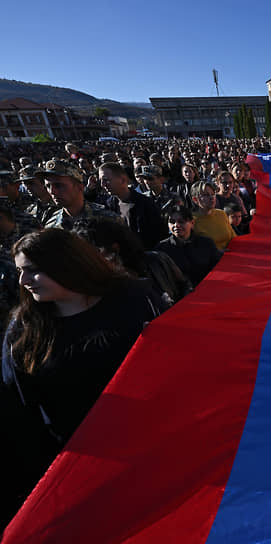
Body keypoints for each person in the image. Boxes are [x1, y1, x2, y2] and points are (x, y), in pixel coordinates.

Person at [1, 229, 163, 525]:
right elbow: (19, 409)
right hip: (78, 465)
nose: (24, 282)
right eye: (21, 272)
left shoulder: (134, 299)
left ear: (67, 263)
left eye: (33, 271)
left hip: (148, 449)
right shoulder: (23, 331)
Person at [156, 206, 222, 287]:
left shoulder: (206, 243)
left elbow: (218, 270)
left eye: (181, 221)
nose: (176, 225)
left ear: (192, 223)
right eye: (172, 222)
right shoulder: (162, 249)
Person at [190, 181, 236, 251]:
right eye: (206, 195)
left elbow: (234, 238)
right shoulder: (191, 221)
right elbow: (195, 250)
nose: (212, 198)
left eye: (212, 194)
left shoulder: (221, 214)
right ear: (195, 200)